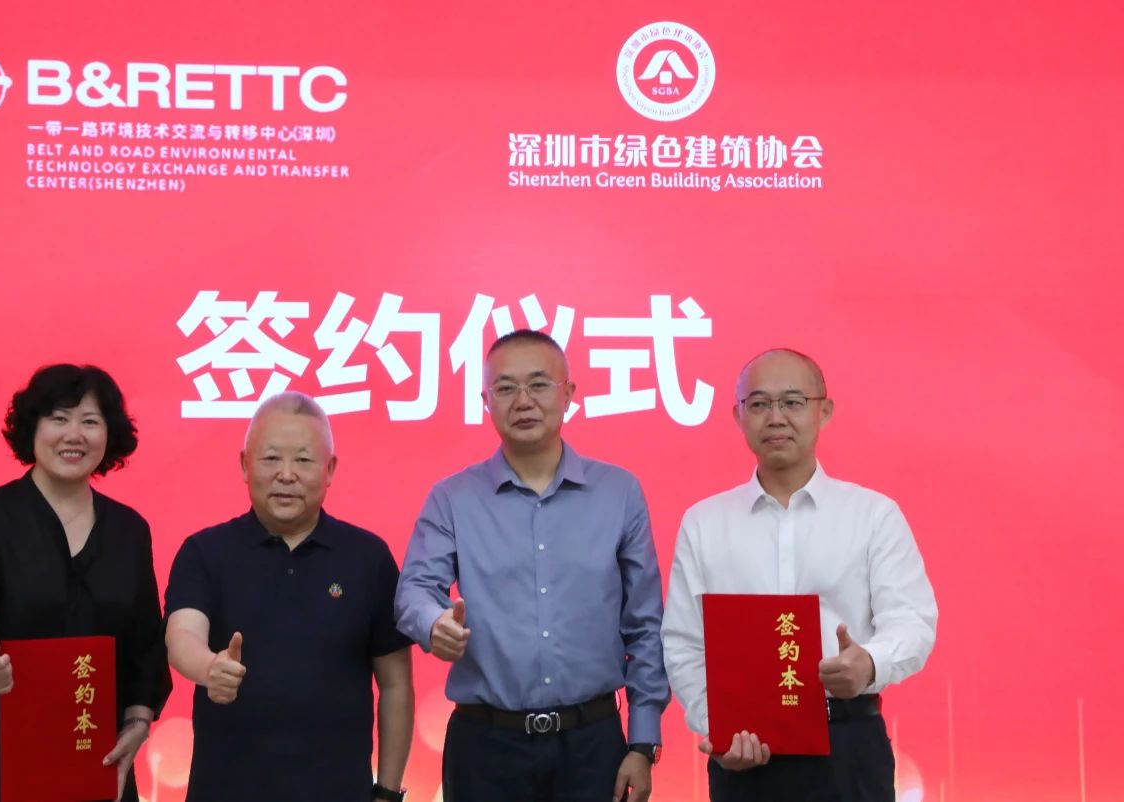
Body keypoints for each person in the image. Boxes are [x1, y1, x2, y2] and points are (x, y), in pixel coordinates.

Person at [395, 329, 669, 802]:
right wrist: (433, 622)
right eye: (505, 388)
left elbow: (644, 625)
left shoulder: (619, 493)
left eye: (539, 384)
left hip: (592, 745)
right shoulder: (452, 498)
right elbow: (414, 591)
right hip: (486, 746)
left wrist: (643, 742)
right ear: (486, 401)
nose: (523, 401)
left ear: (569, 394)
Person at [661, 349, 938, 802]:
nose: (776, 417)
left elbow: (913, 621)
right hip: (745, 750)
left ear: (823, 411)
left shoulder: (872, 515)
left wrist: (869, 663)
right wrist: (719, 729)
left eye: (792, 402)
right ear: (737, 415)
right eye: (759, 404)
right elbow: (683, 642)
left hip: (848, 744)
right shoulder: (705, 522)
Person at [0, 364, 172, 802]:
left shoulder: (130, 529)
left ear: (109, 434)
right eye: (58, 418)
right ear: (32, 428)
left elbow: (146, 643)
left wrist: (137, 723)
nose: (74, 435)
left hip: (93, 755)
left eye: (90, 421)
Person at [164, 391, 413, 801]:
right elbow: (181, 636)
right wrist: (209, 668)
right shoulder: (205, 551)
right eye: (270, 458)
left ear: (329, 470)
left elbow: (396, 684)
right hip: (226, 790)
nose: (286, 474)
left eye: (303, 460)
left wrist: (387, 792)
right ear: (244, 465)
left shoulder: (368, 557)